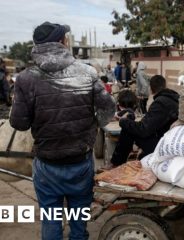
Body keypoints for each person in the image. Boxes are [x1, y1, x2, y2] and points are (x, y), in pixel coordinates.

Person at [9, 21, 115, 240]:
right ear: (61, 42)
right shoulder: (87, 73)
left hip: (47, 165)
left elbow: (19, 124)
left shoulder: (26, 79)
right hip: (80, 162)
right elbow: (108, 110)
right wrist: (91, 126)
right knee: (78, 220)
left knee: (51, 218)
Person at [111, 75, 179, 166]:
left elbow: (144, 130)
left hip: (162, 144)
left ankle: (116, 163)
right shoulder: (173, 99)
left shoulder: (160, 102)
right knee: (130, 124)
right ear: (165, 86)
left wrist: (123, 121)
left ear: (150, 89)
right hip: (168, 140)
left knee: (128, 129)